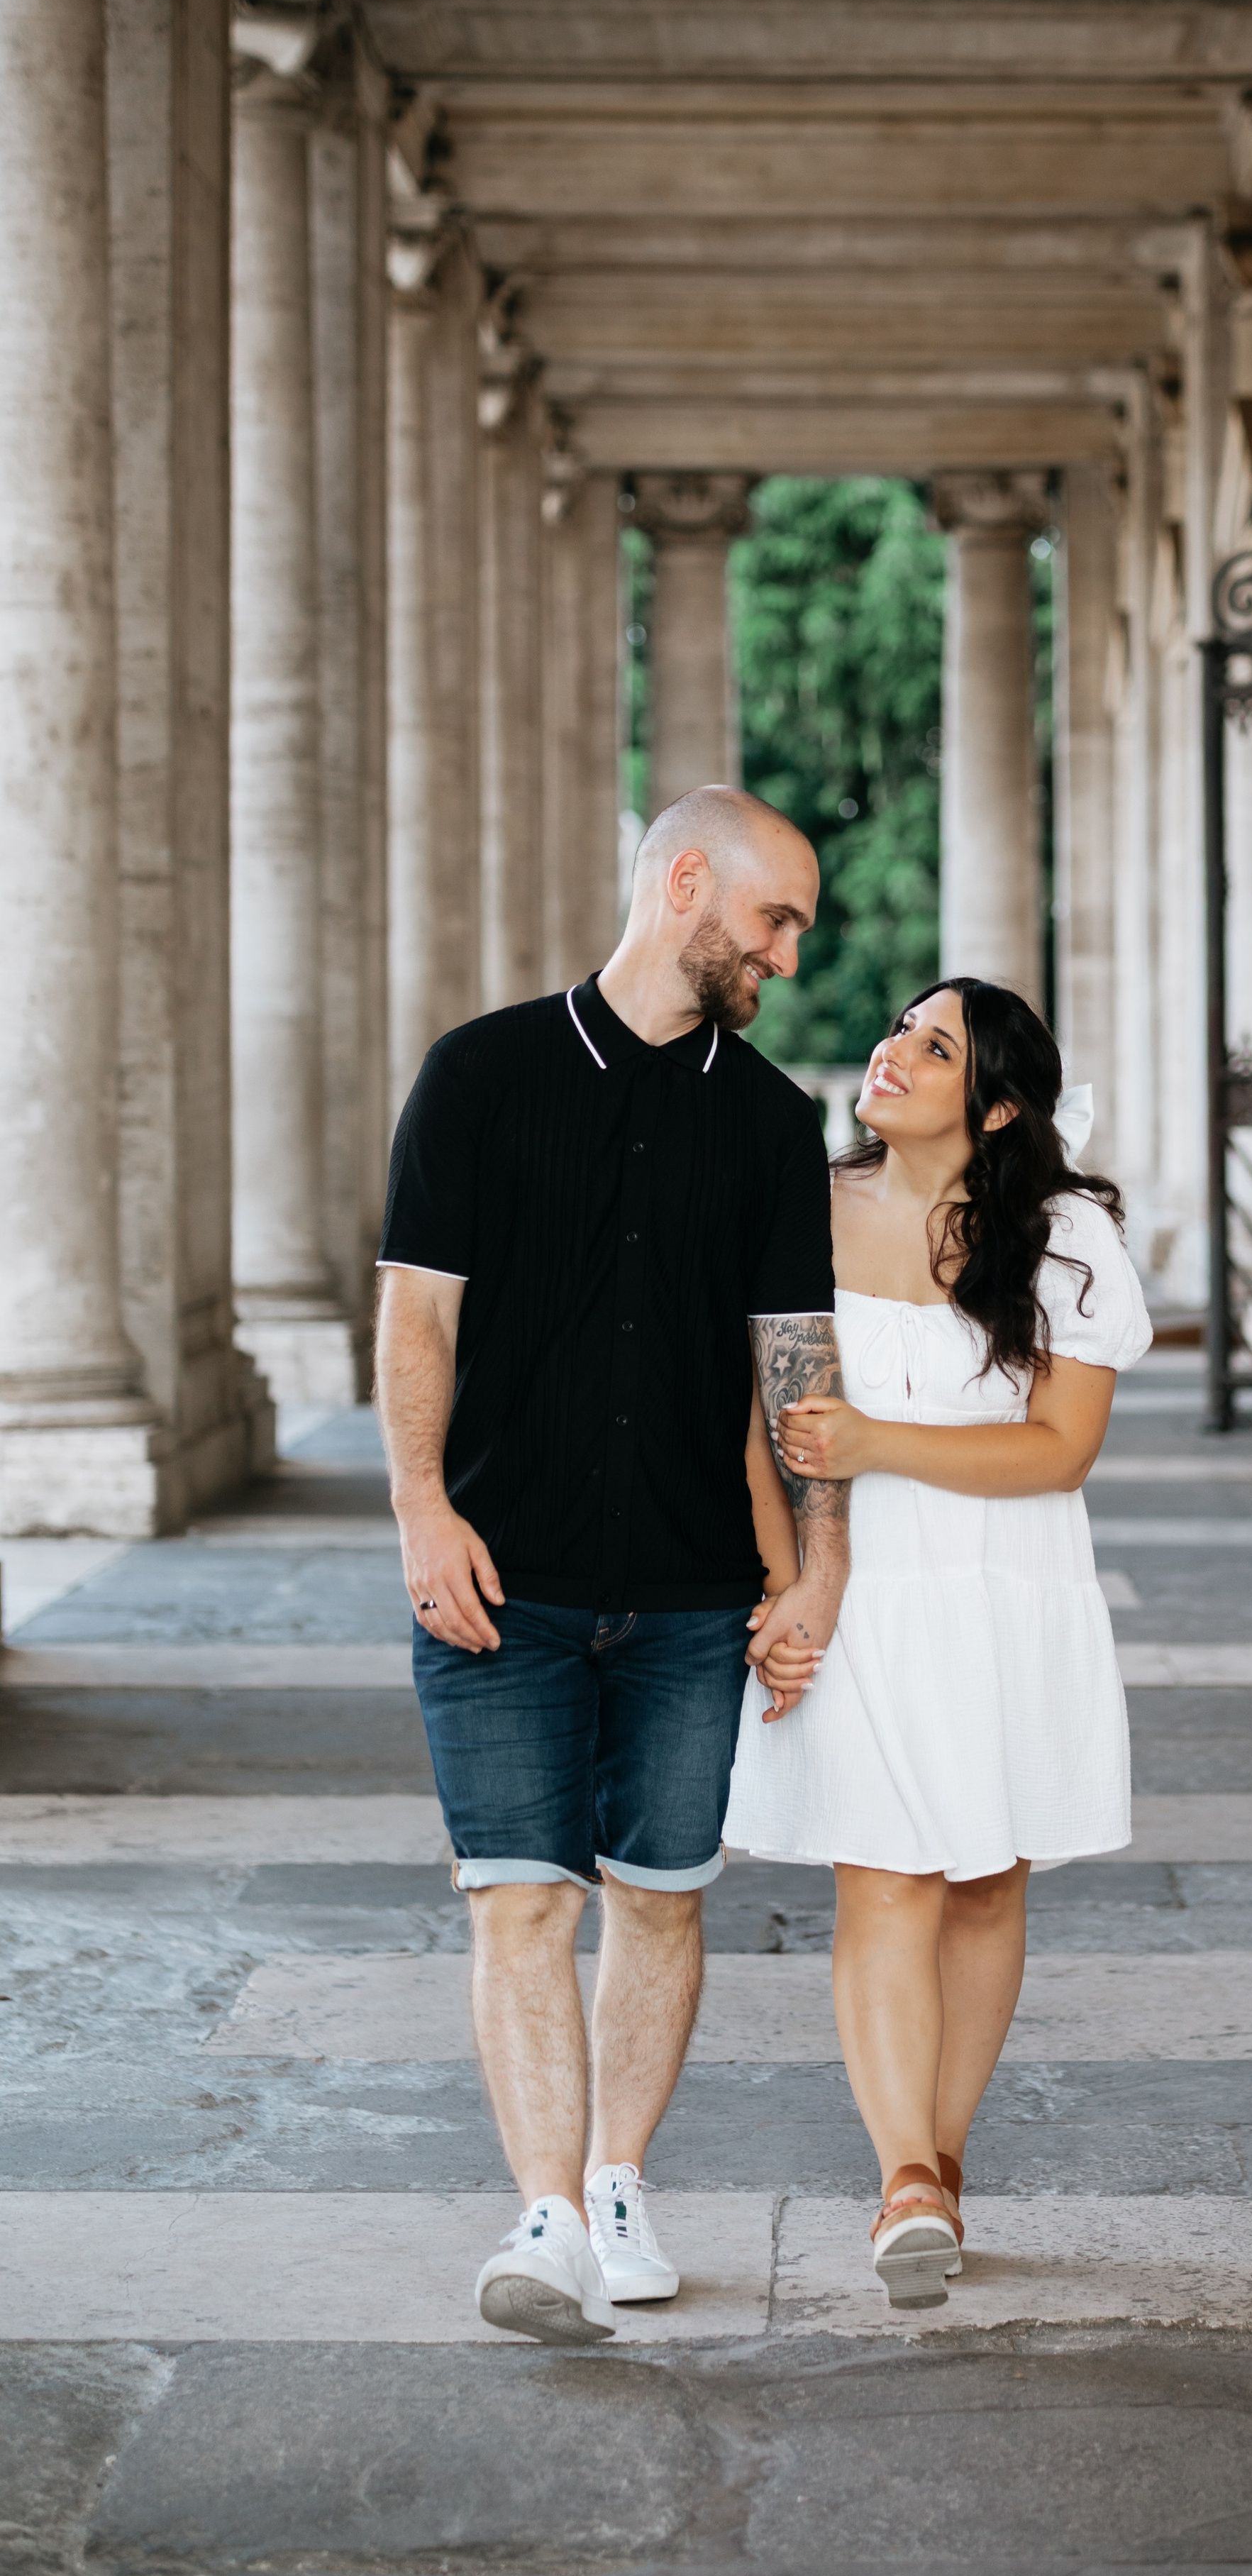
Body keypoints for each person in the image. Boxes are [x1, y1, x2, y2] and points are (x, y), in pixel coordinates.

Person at [373, 786, 849, 2345]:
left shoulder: (770, 1122)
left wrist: (817, 1566)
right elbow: (418, 1314)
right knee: (517, 1902)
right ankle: (548, 2216)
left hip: (695, 1593)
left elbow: (796, 1362)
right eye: (774, 918)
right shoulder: (479, 1073)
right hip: (497, 1575)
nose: (786, 954)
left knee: (659, 1900)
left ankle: (619, 2178)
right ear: (687, 882)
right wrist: (420, 1508)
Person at [722, 976, 1150, 2307]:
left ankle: (943, 2162)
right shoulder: (800, 1208)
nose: (893, 1050)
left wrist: (876, 1440)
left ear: (999, 1104)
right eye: (900, 1028)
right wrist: (785, 1591)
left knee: (986, 1883)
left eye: (937, 1044)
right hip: (864, 1597)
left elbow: (1060, 1451)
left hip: (1010, 1589)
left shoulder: (1065, 1234)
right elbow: (755, 1431)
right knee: (885, 1879)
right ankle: (904, 2174)